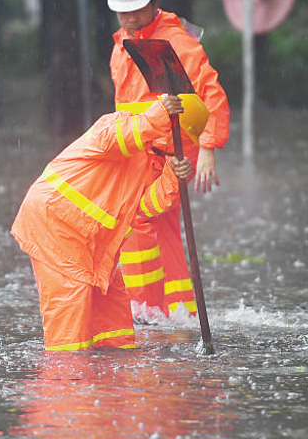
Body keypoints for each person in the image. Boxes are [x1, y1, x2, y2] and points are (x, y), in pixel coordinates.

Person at [11, 94, 208, 351]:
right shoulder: (118, 124)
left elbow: (145, 208)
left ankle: (109, 383)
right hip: (56, 226)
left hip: (93, 243)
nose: (181, 149)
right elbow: (118, 140)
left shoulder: (152, 160)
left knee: (114, 319)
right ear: (172, 127)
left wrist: (173, 178)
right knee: (70, 318)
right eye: (181, 140)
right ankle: (64, 382)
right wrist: (157, 115)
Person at [107, 0, 230, 318]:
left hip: (172, 154)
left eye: (136, 10)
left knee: (139, 219)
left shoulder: (176, 42)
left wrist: (208, 148)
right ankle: (173, 311)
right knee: (157, 228)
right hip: (140, 151)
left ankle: (147, 309)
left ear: (152, 2)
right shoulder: (123, 44)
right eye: (122, 12)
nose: (129, 19)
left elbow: (211, 92)